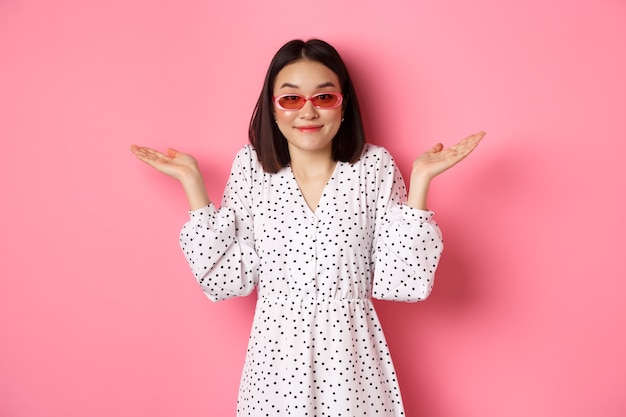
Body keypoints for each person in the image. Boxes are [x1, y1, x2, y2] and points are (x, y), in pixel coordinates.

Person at [131, 38, 483, 416]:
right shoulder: (251, 168)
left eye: (324, 98)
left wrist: (422, 182)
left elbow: (404, 284)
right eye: (291, 99)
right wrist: (193, 185)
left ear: (344, 105)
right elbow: (226, 282)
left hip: (353, 367)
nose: (308, 112)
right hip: (275, 371)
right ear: (273, 108)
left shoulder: (373, 167)